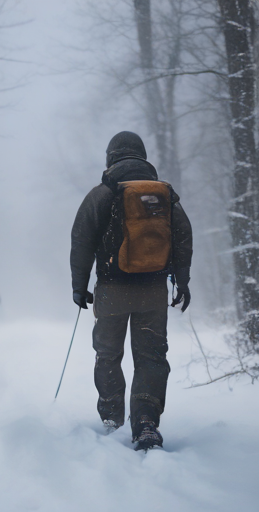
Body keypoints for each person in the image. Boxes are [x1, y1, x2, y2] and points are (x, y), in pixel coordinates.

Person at [70, 131, 192, 450]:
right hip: (153, 291)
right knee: (151, 356)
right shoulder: (163, 193)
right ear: (142, 156)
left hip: (112, 289)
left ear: (111, 157)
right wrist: (183, 279)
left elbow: (81, 239)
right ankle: (146, 423)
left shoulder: (104, 191)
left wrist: (79, 286)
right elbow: (182, 236)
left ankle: (112, 417)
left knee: (108, 354)